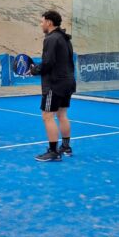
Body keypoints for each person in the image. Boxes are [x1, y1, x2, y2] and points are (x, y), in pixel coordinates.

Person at [29, 10, 76, 161]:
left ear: (49, 22)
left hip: (54, 84)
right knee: (62, 114)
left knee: (47, 116)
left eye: (42, 21)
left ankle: (54, 152)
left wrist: (34, 70)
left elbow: (48, 63)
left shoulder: (51, 39)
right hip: (68, 82)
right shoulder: (65, 38)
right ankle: (66, 147)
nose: (41, 24)